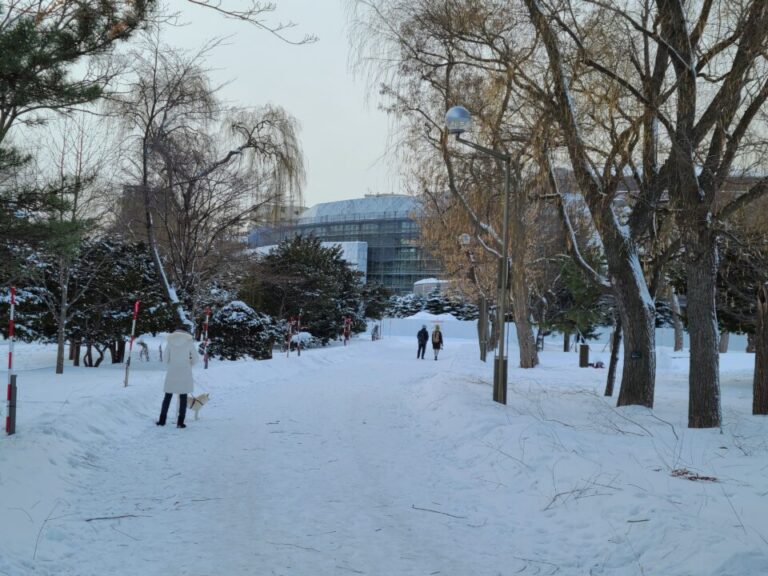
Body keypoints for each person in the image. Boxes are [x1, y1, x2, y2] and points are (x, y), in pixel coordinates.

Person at [157, 325, 199, 428]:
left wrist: (171, 365)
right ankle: (180, 422)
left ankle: (162, 420)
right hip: (185, 371)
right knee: (183, 397)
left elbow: (165, 358)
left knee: (167, 396)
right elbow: (196, 358)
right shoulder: (189, 342)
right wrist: (189, 364)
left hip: (172, 371)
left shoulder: (170, 342)